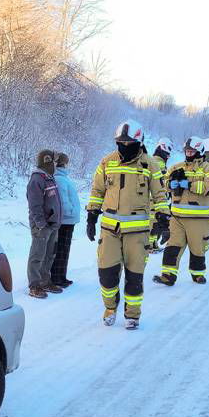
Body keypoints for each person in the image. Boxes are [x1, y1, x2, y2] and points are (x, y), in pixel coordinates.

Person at [86, 119, 169, 329]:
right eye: (120, 142)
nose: (123, 146)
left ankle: (132, 315)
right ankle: (110, 307)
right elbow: (97, 191)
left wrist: (163, 219)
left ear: (138, 142)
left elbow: (160, 195)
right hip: (110, 230)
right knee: (106, 273)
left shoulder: (150, 164)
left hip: (137, 233)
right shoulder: (107, 161)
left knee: (134, 276)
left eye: (128, 142)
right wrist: (92, 215)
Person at [153, 136, 209, 286]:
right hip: (177, 217)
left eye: (192, 151)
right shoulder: (176, 167)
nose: (189, 154)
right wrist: (172, 184)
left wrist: (188, 184)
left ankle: (198, 275)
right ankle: (168, 275)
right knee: (172, 246)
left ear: (200, 151)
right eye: (187, 151)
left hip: (199, 218)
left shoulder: (208, 168)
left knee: (197, 248)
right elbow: (162, 183)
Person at [27, 150, 63, 298]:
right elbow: (34, 205)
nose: (54, 164)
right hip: (42, 225)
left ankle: (45, 281)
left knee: (49, 255)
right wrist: (41, 224)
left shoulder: (49, 178)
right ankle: (34, 285)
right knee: (37, 255)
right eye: (53, 161)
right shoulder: (37, 179)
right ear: (47, 161)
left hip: (52, 224)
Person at [50, 152, 80, 288]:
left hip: (67, 220)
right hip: (65, 220)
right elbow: (63, 200)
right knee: (61, 249)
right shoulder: (60, 179)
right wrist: (71, 212)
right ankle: (57, 278)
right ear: (64, 163)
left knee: (64, 250)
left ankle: (61, 276)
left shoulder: (62, 177)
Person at [146, 137, 172, 253]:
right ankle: (151, 245)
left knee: (153, 220)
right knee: (154, 221)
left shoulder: (153, 159)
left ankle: (153, 243)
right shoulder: (159, 162)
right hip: (154, 197)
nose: (168, 156)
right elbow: (160, 181)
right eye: (168, 153)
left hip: (151, 196)